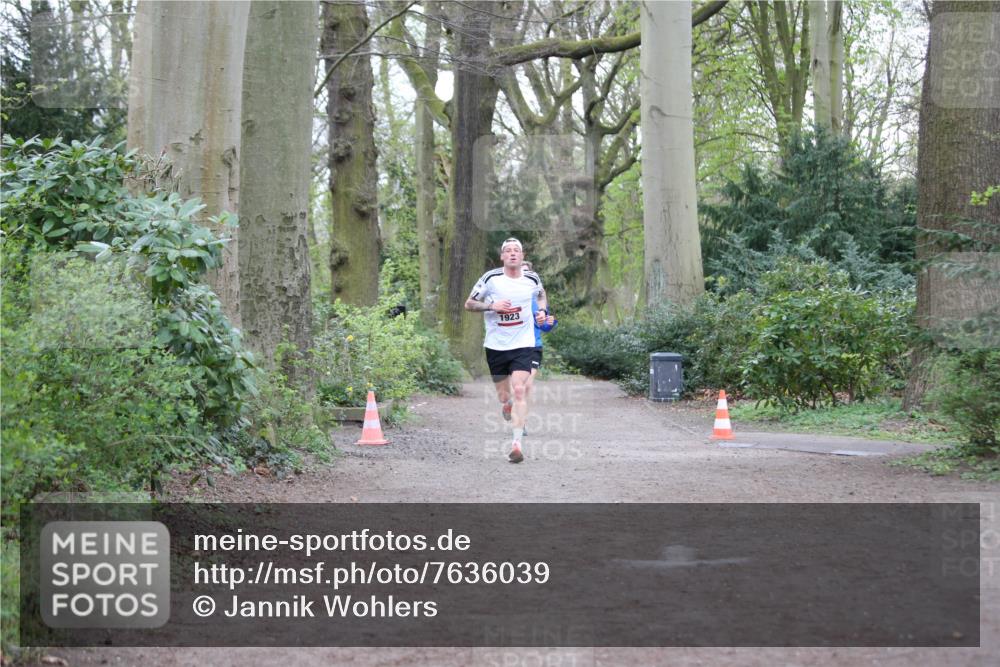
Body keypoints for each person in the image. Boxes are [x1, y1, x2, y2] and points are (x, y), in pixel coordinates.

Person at [464, 238, 548, 463]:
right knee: (504, 396)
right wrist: (492, 306)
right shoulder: (491, 279)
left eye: (516, 251)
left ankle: (517, 444)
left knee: (520, 389)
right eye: (508, 251)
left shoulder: (531, 278)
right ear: (502, 256)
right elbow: (469, 304)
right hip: (496, 345)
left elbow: (540, 295)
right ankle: (508, 405)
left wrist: (542, 311)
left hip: (524, 343)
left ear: (522, 256)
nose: (512, 254)